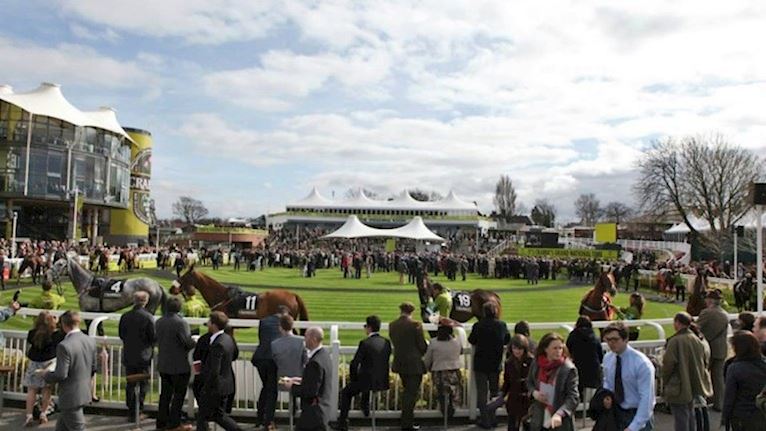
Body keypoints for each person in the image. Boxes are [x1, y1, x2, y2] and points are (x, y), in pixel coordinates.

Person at [332, 315, 392, 430]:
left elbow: (354, 364)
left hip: (368, 382)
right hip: (383, 381)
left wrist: (353, 379)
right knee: (366, 379)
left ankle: (342, 423)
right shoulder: (386, 342)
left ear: (369, 328)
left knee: (346, 392)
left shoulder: (365, 343)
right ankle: (365, 406)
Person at [41, 311, 97, 431]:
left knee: (78, 427)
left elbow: (61, 374)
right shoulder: (90, 341)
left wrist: (45, 374)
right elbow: (93, 368)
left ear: (63, 324)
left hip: (70, 396)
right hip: (83, 391)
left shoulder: (64, 345)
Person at [662, 312, 713, 431]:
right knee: (690, 414)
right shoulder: (696, 339)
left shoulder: (675, 341)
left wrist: (665, 380)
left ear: (677, 323)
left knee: (681, 417)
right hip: (694, 383)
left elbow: (668, 364)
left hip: (678, 384)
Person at [602, 322, 655, 431]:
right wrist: (607, 395)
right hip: (617, 413)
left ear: (626, 339)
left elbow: (647, 399)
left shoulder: (641, 364)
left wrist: (634, 427)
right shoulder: (608, 358)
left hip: (638, 415)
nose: (611, 343)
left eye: (615, 340)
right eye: (608, 340)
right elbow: (607, 381)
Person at [155, 296, 196, 431]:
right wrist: (195, 341)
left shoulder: (159, 321)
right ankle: (174, 423)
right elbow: (187, 343)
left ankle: (161, 422)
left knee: (165, 394)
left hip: (163, 364)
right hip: (179, 366)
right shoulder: (181, 323)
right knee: (178, 396)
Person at [198, 311, 242, 431]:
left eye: (209, 322)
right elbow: (235, 355)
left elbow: (214, 370)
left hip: (216, 387)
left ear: (214, 325)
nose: (207, 324)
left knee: (218, 415)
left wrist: (206, 387)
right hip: (226, 383)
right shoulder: (229, 338)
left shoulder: (218, 344)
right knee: (204, 415)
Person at [469, 301, 510, 428]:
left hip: (480, 364)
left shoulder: (478, 325)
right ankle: (492, 418)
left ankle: (485, 420)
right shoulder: (501, 325)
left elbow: (471, 340)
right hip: (495, 364)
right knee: (494, 393)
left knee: (482, 393)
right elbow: (507, 340)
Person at [527, 332, 579, 431]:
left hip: (559, 420)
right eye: (555, 348)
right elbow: (529, 382)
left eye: (560, 348)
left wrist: (560, 414)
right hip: (539, 418)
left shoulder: (568, 369)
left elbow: (573, 397)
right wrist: (534, 393)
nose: (558, 351)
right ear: (545, 349)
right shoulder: (537, 363)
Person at [284, 327, 333, 431]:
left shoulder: (315, 362)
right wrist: (301, 380)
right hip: (321, 411)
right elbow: (317, 381)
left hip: (313, 415)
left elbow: (310, 392)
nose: (304, 339)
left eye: (306, 336)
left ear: (314, 339)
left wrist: (291, 386)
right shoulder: (324, 355)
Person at [389, 302, 428, 431]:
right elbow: (422, 346)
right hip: (414, 364)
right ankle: (407, 424)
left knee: (408, 392)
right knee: (410, 394)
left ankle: (406, 421)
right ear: (411, 312)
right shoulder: (416, 325)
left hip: (400, 363)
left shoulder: (393, 325)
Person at [118, 291, 156, 422]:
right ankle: (137, 411)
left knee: (130, 383)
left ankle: (131, 411)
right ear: (145, 301)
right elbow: (153, 337)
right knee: (143, 384)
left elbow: (122, 335)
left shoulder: (125, 316)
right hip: (143, 357)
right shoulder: (148, 317)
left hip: (129, 354)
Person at [23, 311, 64, 426]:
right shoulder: (55, 334)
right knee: (47, 390)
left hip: (34, 362)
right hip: (48, 363)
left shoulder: (32, 333)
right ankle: (43, 413)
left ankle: (29, 415)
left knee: (32, 390)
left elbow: (31, 342)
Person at [484, 334, 532, 431]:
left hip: (527, 400)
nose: (517, 351)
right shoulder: (509, 362)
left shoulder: (531, 361)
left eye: (520, 348)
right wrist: (501, 395)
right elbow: (507, 382)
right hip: (514, 400)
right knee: (512, 426)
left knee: (528, 426)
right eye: (515, 348)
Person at [252, 307, 287, 431]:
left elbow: (262, 339)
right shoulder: (282, 323)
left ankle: (259, 418)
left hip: (260, 357)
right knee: (272, 390)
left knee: (266, 387)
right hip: (272, 360)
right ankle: (268, 422)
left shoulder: (264, 321)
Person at [697, 289, 730, 411]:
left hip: (708, 349)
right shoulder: (725, 314)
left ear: (710, 300)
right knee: (718, 378)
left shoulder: (706, 313)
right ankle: (719, 403)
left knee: (702, 375)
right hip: (721, 349)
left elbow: (697, 328)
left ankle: (701, 401)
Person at [423, 322, 462, 419]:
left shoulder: (434, 342)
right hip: (454, 371)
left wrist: (427, 368)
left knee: (442, 395)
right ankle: (450, 412)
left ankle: (445, 413)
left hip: (439, 372)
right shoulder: (456, 342)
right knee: (452, 394)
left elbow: (428, 359)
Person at [566, 316, 603, 403]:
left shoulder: (573, 335)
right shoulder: (595, 337)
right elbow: (600, 356)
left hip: (578, 370)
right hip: (594, 372)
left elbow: (568, 351)